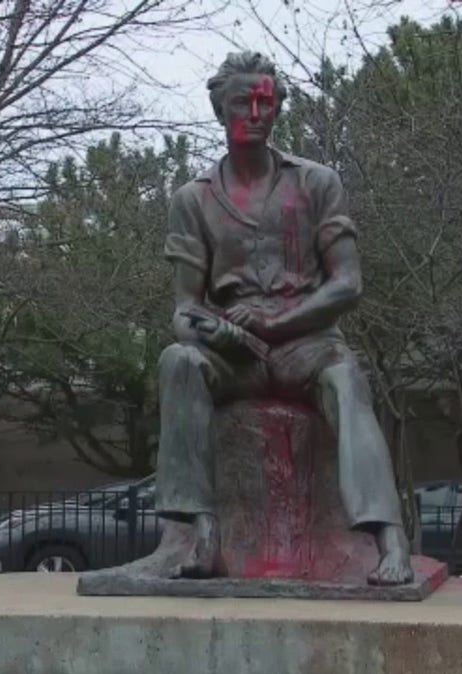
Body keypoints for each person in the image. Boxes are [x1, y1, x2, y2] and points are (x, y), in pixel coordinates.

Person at [153, 51, 413, 586]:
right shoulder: (192, 200)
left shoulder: (317, 183)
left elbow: (347, 284)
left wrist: (276, 323)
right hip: (235, 356)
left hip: (307, 346)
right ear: (218, 109)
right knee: (178, 360)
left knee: (346, 379)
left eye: (265, 101)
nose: (256, 111)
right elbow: (184, 307)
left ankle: (390, 538)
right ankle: (203, 531)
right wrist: (209, 328)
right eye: (242, 102)